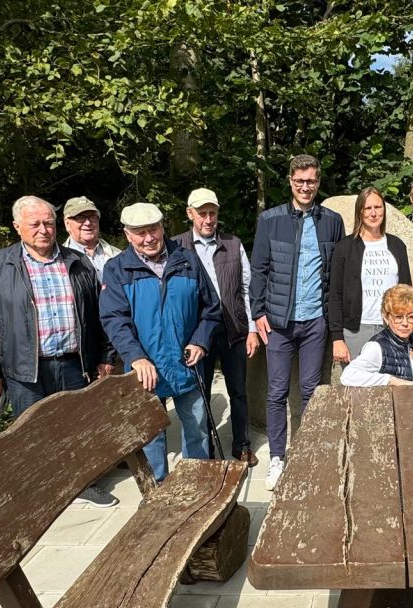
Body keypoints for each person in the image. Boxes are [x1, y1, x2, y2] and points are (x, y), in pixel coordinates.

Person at [0, 195, 116, 506]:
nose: (43, 230)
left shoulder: (77, 263)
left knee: (75, 428)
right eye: (34, 224)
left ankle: (82, 484)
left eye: (48, 223)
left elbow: (99, 314)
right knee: (30, 433)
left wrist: (105, 357)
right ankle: (41, 492)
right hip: (24, 369)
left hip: (72, 363)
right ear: (17, 227)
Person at [100, 203, 222, 480]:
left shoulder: (187, 260)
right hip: (146, 370)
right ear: (127, 235)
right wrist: (136, 356)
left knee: (197, 427)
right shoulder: (117, 269)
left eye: (153, 229)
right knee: (150, 434)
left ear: (162, 227)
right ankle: (156, 492)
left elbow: (211, 308)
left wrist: (201, 341)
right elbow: (113, 319)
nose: (149, 238)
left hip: (187, 365)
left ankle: (197, 484)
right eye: (140, 233)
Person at [249, 154, 344, 490]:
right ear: (290, 181)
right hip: (279, 323)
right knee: (276, 392)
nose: (306, 187)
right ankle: (277, 457)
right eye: (300, 181)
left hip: (315, 321)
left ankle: (305, 454)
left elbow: (335, 274)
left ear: (318, 183)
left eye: (312, 181)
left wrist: (334, 323)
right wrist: (257, 312)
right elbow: (259, 269)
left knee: (310, 392)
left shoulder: (331, 220)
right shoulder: (270, 220)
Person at [173, 188, 260, 467]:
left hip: (233, 329)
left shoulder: (233, 244)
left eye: (212, 213)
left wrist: (253, 329)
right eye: (202, 213)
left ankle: (242, 444)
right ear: (190, 214)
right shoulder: (176, 247)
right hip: (197, 334)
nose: (208, 219)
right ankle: (205, 447)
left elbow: (247, 288)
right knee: (199, 394)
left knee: (238, 390)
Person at [328, 187, 411, 371]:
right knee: (357, 391)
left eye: (378, 207)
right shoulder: (345, 248)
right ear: (360, 212)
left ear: (384, 209)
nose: (373, 213)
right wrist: (337, 338)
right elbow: (335, 295)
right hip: (356, 331)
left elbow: (407, 293)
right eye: (367, 208)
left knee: (393, 386)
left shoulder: (397, 246)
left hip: (392, 329)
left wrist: (408, 332)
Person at [341, 285, 413, 386]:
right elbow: (348, 376)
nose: (405, 323)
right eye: (398, 317)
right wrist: (391, 381)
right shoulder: (378, 347)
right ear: (386, 318)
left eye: (410, 317)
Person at [61, 196, 122, 280]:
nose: (88, 222)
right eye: (80, 217)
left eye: (92, 217)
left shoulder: (117, 255)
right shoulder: (60, 260)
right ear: (67, 223)